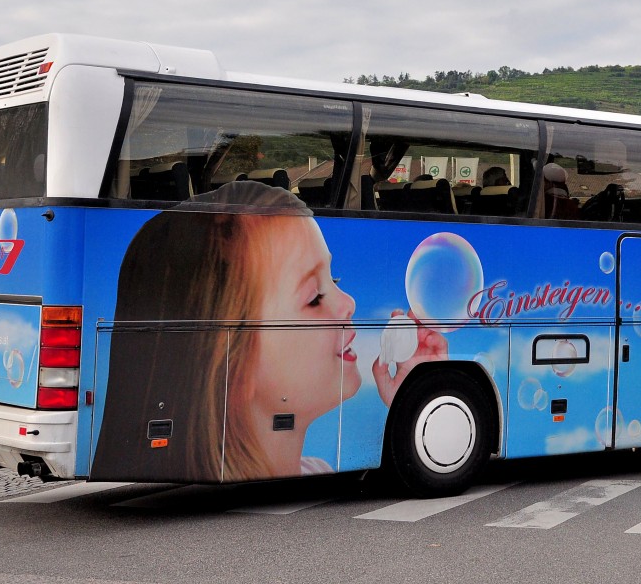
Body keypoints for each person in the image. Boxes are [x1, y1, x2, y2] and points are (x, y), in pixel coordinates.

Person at [92, 181, 444, 483]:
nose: (348, 303)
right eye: (315, 297)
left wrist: (414, 395)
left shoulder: (315, 468)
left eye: (333, 280)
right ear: (233, 362)